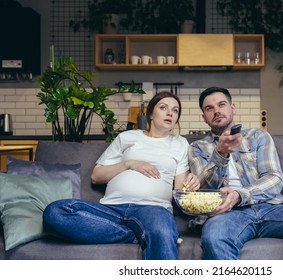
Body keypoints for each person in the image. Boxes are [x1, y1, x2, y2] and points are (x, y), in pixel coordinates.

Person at [188, 86, 283, 260]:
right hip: (228, 214)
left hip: (269, 207)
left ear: (232, 107)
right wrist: (220, 154)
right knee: (214, 238)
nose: (216, 111)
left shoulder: (258, 136)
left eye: (221, 104)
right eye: (209, 108)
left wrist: (240, 195)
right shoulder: (197, 148)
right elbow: (205, 190)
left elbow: (274, 179)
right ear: (204, 117)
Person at [43, 91, 200, 260]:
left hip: (153, 209)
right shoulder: (126, 137)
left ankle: (146, 234)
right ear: (150, 114)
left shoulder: (180, 144)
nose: (170, 113)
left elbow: (179, 189)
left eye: (175, 111)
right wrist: (129, 163)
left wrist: (193, 182)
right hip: (110, 208)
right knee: (55, 212)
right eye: (163, 108)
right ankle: (134, 235)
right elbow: (96, 176)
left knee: (162, 231)